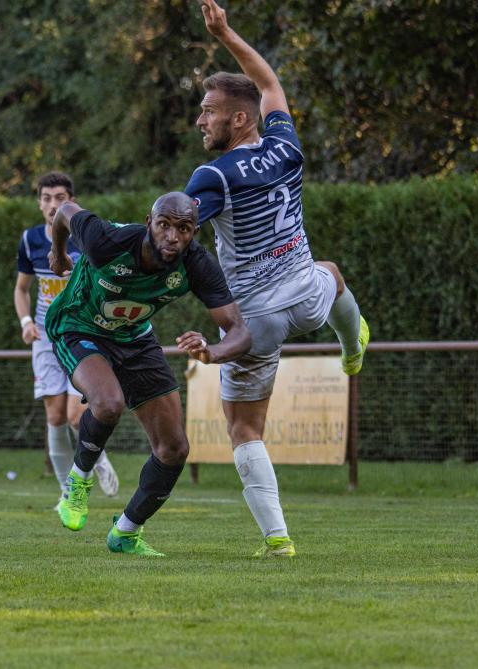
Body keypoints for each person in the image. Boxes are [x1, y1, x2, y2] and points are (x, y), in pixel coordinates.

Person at [185, 0, 371, 558]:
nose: (200, 119)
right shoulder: (286, 145)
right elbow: (269, 82)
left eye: (209, 111)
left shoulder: (213, 174)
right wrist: (225, 33)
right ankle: (352, 345)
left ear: (239, 120)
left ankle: (279, 538)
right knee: (333, 273)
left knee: (244, 431)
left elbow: (176, 231)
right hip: (309, 296)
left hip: (256, 320)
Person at [46, 192, 251, 557]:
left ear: (194, 232)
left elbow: (240, 332)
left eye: (184, 229)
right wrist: (59, 253)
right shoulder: (105, 240)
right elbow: (64, 211)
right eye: (165, 225)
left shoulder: (196, 264)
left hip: (134, 338)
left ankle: (125, 532)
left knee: (174, 448)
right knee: (108, 403)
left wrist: (211, 351)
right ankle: (77, 482)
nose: (173, 237)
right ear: (149, 223)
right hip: (78, 325)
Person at [14, 171, 119, 505]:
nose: (52, 204)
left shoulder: (86, 237)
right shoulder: (31, 240)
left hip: (80, 334)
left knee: (77, 415)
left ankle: (98, 458)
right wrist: (26, 320)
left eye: (60, 198)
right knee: (55, 418)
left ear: (71, 201)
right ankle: (67, 493)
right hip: (46, 338)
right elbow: (21, 289)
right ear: (38, 202)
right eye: (46, 198)